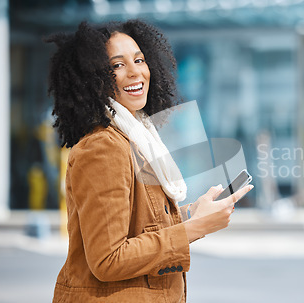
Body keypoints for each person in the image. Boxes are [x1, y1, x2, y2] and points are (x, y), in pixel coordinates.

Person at [46, 19, 253, 302]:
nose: (135, 72)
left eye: (139, 60)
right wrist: (193, 229)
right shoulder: (103, 148)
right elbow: (108, 258)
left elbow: (141, 223)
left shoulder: (138, 137)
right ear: (92, 77)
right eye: (117, 65)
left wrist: (193, 214)